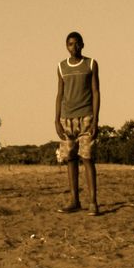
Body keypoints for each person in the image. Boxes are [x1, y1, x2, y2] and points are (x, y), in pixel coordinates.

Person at [55, 31, 100, 215]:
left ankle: (93, 202)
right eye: (70, 44)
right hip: (67, 118)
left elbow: (96, 91)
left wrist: (95, 119)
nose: (73, 47)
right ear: (66, 46)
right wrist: (56, 119)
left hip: (86, 116)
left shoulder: (90, 64)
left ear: (83, 44)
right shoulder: (61, 67)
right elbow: (59, 93)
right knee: (70, 159)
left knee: (87, 158)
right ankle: (74, 200)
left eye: (76, 43)